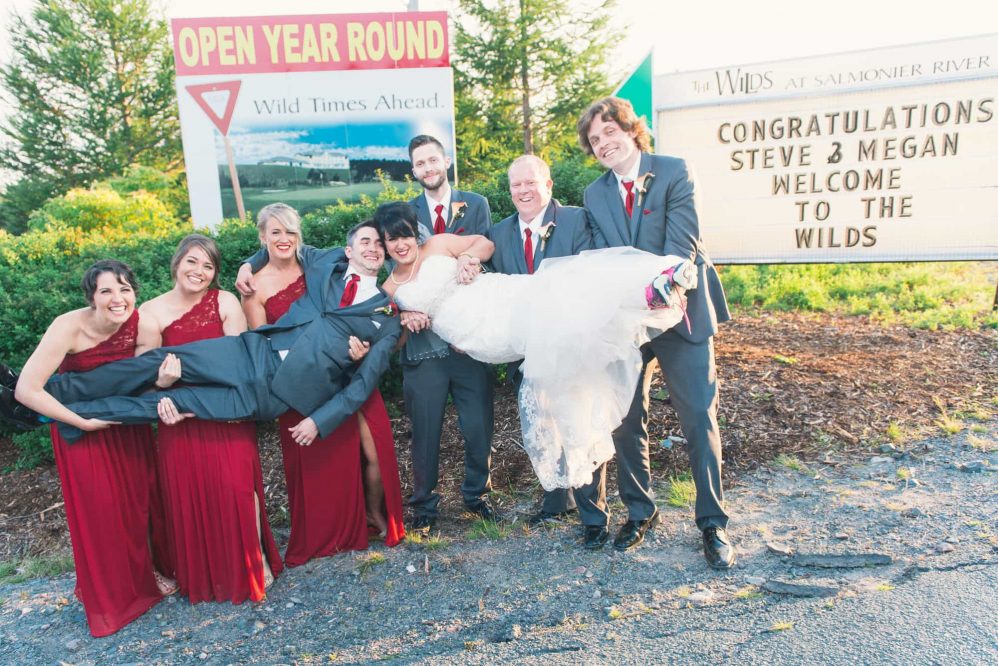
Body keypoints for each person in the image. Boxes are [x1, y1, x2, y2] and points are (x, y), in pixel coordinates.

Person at [374, 202, 694, 508]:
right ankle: (640, 298)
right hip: (481, 337)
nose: (401, 244)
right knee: (563, 321)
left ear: (414, 233)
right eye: (392, 239)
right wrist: (403, 317)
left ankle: (649, 289)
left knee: (562, 292)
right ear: (385, 244)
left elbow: (484, 245)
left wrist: (467, 258)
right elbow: (392, 336)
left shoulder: (439, 245)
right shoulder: (391, 288)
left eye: (405, 235)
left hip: (498, 300)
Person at [1, 221, 402, 449]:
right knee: (156, 364)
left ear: (386, 257)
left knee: (166, 403)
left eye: (379, 245)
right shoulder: (326, 266)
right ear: (347, 250)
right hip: (250, 353)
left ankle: (43, 416)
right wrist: (250, 261)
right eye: (363, 241)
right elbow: (280, 242)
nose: (372, 248)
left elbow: (362, 386)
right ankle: (53, 392)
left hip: (273, 395)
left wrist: (319, 419)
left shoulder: (387, 318)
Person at [577, 96, 736, 567]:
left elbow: (679, 249)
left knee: (698, 417)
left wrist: (654, 291)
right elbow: (607, 260)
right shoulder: (594, 194)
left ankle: (713, 523)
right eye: (595, 139)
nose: (604, 144)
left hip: (679, 313)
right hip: (627, 321)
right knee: (626, 421)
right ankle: (640, 511)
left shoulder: (674, 171)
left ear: (632, 130)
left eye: (610, 132)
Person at [4, 260, 175, 637]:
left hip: (125, 426)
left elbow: (139, 384)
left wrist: (161, 383)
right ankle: (109, 591)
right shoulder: (67, 326)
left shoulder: (144, 325)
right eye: (107, 291)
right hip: (79, 429)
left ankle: (148, 573)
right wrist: (80, 423)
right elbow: (26, 390)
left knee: (138, 501)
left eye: (125, 288)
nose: (118, 298)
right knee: (100, 510)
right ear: (92, 297)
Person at [239, 204, 405, 562]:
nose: (284, 239)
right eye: (275, 233)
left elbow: (287, 245)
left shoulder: (315, 262)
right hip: (292, 374)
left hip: (346, 375)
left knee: (371, 448)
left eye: (291, 232)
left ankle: (370, 512)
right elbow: (258, 342)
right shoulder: (321, 266)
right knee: (316, 460)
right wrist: (247, 264)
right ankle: (325, 529)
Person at [138, 234, 283, 603]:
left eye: (208, 265)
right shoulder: (150, 313)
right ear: (177, 263)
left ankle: (257, 559)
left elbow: (240, 365)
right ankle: (205, 572)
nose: (199, 271)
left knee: (238, 488)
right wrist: (162, 382)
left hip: (229, 413)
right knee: (190, 493)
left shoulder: (225, 301)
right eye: (192, 262)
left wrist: (196, 384)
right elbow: (141, 377)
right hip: (181, 422)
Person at [485, 155, 609, 549]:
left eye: (530, 183)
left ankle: (594, 515)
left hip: (573, 341)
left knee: (580, 424)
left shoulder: (575, 220)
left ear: (548, 185)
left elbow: (590, 273)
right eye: (515, 185)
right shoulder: (499, 233)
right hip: (531, 348)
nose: (523, 191)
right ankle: (557, 499)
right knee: (544, 422)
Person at [401, 134, 498, 533]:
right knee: (425, 430)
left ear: (446, 161)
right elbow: (375, 259)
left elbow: (489, 253)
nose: (427, 168)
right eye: (420, 164)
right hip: (424, 345)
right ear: (413, 171)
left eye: (432, 160)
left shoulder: (475, 204)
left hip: (469, 341)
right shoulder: (402, 213)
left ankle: (477, 496)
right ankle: (424, 507)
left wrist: (472, 261)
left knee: (478, 424)